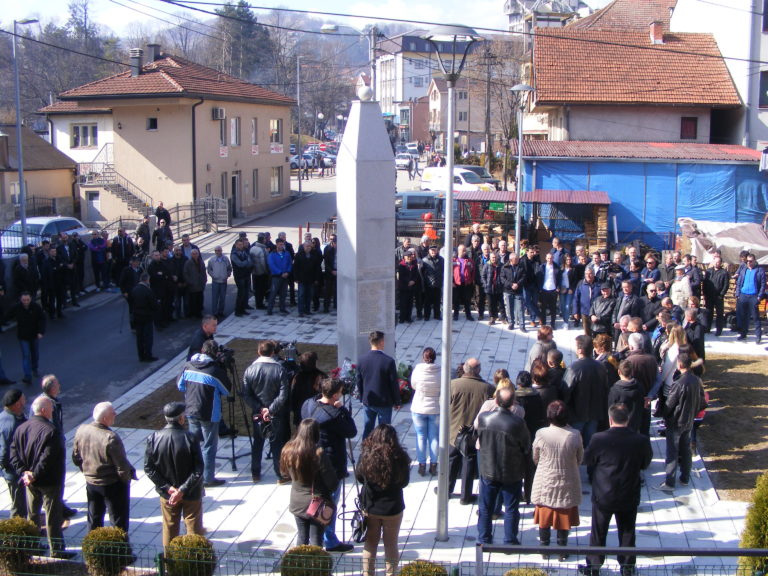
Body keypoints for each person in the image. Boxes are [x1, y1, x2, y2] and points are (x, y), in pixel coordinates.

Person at [580, 404, 652, 576]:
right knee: (627, 533)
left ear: (610, 420)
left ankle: (594, 567)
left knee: (598, 532)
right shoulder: (640, 440)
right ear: (627, 419)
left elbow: (587, 460)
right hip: (629, 493)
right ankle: (627, 567)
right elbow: (645, 463)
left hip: (604, 494)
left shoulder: (599, 438)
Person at [10, 395, 76, 558]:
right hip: (49, 482)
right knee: (53, 516)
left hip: (30, 482)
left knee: (32, 514)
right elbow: (48, 459)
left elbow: (13, 453)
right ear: (45, 410)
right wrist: (33, 474)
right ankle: (57, 550)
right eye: (51, 408)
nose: (53, 411)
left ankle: (33, 546)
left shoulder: (22, 428)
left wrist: (24, 472)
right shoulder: (51, 431)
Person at [301, 378, 357, 553]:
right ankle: (330, 540)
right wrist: (342, 409)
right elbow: (351, 431)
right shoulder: (334, 415)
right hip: (331, 464)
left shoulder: (309, 405)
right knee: (329, 503)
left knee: (317, 500)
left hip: (311, 459)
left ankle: (320, 536)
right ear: (334, 395)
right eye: (340, 392)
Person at [144, 402, 205, 548]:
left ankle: (169, 563)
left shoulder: (153, 438)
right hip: (190, 493)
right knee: (194, 529)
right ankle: (195, 563)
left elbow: (149, 468)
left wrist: (168, 488)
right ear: (181, 418)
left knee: (170, 528)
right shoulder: (190, 438)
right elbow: (199, 468)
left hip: (167, 495)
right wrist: (182, 490)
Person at [476, 387, 530, 545]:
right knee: (511, 507)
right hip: (511, 471)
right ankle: (510, 539)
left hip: (488, 468)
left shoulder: (484, 418)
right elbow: (526, 446)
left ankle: (484, 538)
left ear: (496, 401)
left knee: (485, 507)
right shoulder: (517, 423)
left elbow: (479, 437)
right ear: (513, 402)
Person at [72, 402, 135, 532]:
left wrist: (87, 471)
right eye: (113, 412)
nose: (115, 414)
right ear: (105, 418)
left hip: (91, 482)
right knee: (118, 520)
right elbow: (122, 466)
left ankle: (93, 548)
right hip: (111, 484)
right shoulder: (110, 437)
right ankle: (121, 550)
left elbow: (76, 457)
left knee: (94, 518)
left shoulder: (81, 430)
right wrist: (125, 481)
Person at [356, 424, 410, 576]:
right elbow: (404, 482)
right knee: (391, 544)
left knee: (370, 543)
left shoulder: (366, 456)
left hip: (371, 506)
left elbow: (359, 477)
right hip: (393, 508)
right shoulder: (400, 457)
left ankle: (368, 573)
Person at [531, 400, 582, 560]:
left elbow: (535, 457)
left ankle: (544, 548)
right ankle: (562, 549)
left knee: (544, 514)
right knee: (564, 513)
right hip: (567, 478)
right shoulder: (575, 435)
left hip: (545, 479)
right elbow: (579, 458)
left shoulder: (541, 434)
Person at [177, 339, 231, 487]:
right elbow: (226, 390)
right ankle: (208, 478)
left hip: (190, 410)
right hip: (209, 413)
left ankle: (192, 475)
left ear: (202, 350)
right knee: (209, 445)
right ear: (215, 354)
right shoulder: (214, 371)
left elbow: (180, 386)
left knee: (193, 444)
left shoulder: (187, 366)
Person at [280, 419, 339, 547]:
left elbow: (284, 473)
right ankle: (316, 566)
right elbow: (332, 482)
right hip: (316, 503)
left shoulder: (288, 449)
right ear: (316, 434)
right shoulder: (318, 453)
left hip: (297, 501)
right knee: (316, 539)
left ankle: (299, 564)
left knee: (301, 537)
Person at [656, 353, 707, 493]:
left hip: (676, 422)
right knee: (685, 451)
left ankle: (670, 482)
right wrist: (693, 412)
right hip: (688, 421)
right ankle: (685, 478)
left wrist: (665, 416)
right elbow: (703, 402)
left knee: (672, 452)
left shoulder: (679, 383)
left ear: (679, 365)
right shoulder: (696, 380)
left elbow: (670, 404)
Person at [242, 340, 291, 483]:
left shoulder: (250, 369)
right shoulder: (279, 369)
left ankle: (255, 473)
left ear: (259, 352)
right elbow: (284, 394)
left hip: (258, 413)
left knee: (258, 442)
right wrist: (270, 410)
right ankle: (280, 475)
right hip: (275, 413)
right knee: (276, 443)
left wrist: (259, 408)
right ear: (273, 353)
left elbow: (246, 394)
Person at [449, 358, 494, 504]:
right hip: (472, 433)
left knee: (452, 460)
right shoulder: (487, 388)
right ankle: (465, 496)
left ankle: (446, 490)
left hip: (454, 430)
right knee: (468, 462)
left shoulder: (452, 385)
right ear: (478, 370)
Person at [563, 335, 608, 448]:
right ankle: (589, 460)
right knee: (590, 440)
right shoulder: (601, 366)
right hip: (595, 411)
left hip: (577, 413)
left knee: (574, 440)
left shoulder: (574, 368)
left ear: (580, 350)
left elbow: (565, 391)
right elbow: (605, 388)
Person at [356, 331, 400, 439]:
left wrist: (362, 397)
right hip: (384, 402)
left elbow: (359, 381)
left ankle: (365, 452)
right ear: (381, 342)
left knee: (368, 428)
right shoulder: (388, 361)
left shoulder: (361, 360)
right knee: (384, 431)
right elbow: (393, 383)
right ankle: (383, 452)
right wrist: (397, 401)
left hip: (369, 400)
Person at [2, 292, 46, 385]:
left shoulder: (36, 307)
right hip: (23, 336)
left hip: (34, 335)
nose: (26, 302)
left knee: (35, 353)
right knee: (26, 355)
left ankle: (34, 368)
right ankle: (27, 375)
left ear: (30, 299)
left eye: (27, 300)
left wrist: (40, 332)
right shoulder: (17, 307)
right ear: (20, 300)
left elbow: (42, 319)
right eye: (24, 300)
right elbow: (7, 316)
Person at [409, 347, 440, 476]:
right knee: (434, 437)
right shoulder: (440, 371)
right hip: (435, 408)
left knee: (421, 436)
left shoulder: (418, 370)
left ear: (423, 358)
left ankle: (421, 464)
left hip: (419, 407)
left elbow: (413, 385)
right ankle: (433, 464)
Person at [0, 389, 27, 518]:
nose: (25, 402)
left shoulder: (8, 417)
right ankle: (17, 534)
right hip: (14, 471)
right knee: (19, 506)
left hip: (15, 469)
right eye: (23, 400)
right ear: (17, 404)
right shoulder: (11, 424)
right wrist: (7, 468)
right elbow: (4, 451)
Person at [735, 253, 766, 343]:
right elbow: (739, 282)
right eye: (747, 261)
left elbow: (763, 285)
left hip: (754, 296)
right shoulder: (744, 269)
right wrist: (738, 294)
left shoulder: (760, 270)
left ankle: (758, 336)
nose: (748, 262)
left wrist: (759, 296)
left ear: (754, 261)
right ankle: (743, 334)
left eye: (750, 261)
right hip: (743, 295)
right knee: (743, 316)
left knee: (755, 317)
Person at [607, 360, 645, 432]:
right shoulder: (639, 387)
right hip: (635, 424)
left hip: (619, 425)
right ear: (631, 372)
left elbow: (610, 408)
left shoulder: (614, 389)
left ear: (619, 372)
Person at [130, 273, 159, 362]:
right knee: (148, 337)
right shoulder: (147, 291)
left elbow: (131, 303)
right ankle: (148, 355)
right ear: (146, 280)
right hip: (147, 317)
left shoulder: (134, 290)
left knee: (140, 337)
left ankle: (141, 355)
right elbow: (153, 304)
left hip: (137, 317)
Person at [294, 240, 322, 317]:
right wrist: (296, 278)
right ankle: (301, 311)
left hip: (311, 279)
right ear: (303, 247)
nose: (308, 248)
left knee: (309, 295)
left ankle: (307, 310)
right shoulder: (299, 255)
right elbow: (295, 267)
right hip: (301, 279)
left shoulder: (314, 255)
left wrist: (316, 279)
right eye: (307, 246)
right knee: (301, 295)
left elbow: (317, 268)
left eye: (310, 246)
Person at [501, 252, 527, 331]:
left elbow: (524, 277)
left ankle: (522, 326)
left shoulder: (521, 266)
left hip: (518, 291)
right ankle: (511, 324)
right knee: (509, 308)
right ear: (511, 260)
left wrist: (517, 284)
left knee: (520, 309)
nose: (518, 260)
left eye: (518, 259)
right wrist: (511, 285)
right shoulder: (505, 267)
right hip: (508, 291)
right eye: (516, 259)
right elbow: (502, 278)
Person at [267, 238, 292, 315]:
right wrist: (280, 272)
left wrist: (288, 271)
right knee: (273, 293)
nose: (282, 246)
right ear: (277, 244)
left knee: (283, 293)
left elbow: (290, 263)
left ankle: (282, 307)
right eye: (280, 244)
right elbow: (272, 265)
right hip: (276, 276)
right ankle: (270, 309)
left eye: (283, 244)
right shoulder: (272, 254)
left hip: (285, 276)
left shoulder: (287, 253)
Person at [206, 246, 231, 319]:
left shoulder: (225, 259)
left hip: (223, 281)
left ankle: (221, 311)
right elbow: (209, 269)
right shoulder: (212, 260)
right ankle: (214, 312)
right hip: (215, 281)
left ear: (221, 251)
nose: (217, 252)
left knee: (223, 297)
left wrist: (227, 274)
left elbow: (229, 268)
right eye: (216, 250)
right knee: (215, 297)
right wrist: (213, 275)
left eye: (219, 250)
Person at [574, 268, 600, 336]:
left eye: (590, 273)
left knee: (596, 333)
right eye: (586, 274)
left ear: (594, 274)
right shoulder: (581, 283)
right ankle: (588, 346)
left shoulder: (599, 283)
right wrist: (575, 312)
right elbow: (576, 298)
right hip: (585, 312)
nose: (588, 275)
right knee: (587, 333)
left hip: (596, 312)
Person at [453, 244, 475, 321]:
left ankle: (468, 315)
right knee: (456, 300)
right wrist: (452, 282)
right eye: (463, 250)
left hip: (466, 284)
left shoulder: (470, 260)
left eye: (465, 250)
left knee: (467, 300)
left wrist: (470, 281)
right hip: (456, 284)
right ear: (458, 251)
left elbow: (473, 272)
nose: (464, 252)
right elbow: (450, 272)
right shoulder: (453, 260)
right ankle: (456, 314)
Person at [231, 239, 252, 317]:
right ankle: (238, 311)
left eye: (241, 244)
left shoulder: (244, 252)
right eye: (239, 245)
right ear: (236, 245)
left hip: (246, 275)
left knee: (245, 293)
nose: (240, 246)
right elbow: (240, 264)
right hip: (239, 276)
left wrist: (247, 262)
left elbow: (250, 261)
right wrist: (247, 262)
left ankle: (243, 309)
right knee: (240, 293)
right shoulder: (234, 254)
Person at [421, 245, 443, 321]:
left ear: (437, 251)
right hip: (428, 284)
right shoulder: (424, 260)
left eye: (435, 250)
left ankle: (437, 315)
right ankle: (427, 316)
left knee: (437, 301)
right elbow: (422, 272)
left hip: (438, 284)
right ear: (429, 251)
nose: (433, 251)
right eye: (431, 250)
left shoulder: (441, 260)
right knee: (427, 302)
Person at [184, 249, 207, 319]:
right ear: (191, 255)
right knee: (193, 301)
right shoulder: (188, 262)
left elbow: (204, 271)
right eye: (193, 254)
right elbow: (185, 273)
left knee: (200, 300)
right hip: (192, 286)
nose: (195, 255)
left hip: (200, 285)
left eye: (196, 253)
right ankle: (193, 314)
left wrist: (204, 280)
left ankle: (199, 313)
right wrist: (190, 282)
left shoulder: (201, 261)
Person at [250, 234, 270, 310]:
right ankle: (260, 304)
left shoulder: (253, 248)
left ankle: (258, 303)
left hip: (254, 272)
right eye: (265, 239)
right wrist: (266, 271)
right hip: (261, 272)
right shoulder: (262, 250)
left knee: (256, 289)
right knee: (261, 289)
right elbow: (263, 263)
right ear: (263, 240)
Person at [322, 235, 338, 313]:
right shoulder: (327, 248)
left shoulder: (342, 249)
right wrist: (332, 271)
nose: (333, 242)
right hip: (330, 272)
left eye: (334, 240)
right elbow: (326, 262)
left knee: (337, 290)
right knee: (328, 291)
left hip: (339, 271)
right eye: (332, 240)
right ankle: (326, 307)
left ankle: (336, 305)